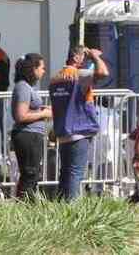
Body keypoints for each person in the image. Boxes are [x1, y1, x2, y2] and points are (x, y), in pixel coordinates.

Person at [50, 46, 109, 200]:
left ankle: (61, 205)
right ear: (75, 58)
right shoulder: (79, 75)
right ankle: (71, 207)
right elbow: (103, 73)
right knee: (76, 173)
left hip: (64, 130)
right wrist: (95, 57)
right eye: (83, 55)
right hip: (79, 130)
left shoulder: (56, 78)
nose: (85, 59)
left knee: (66, 172)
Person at [10, 53, 51, 200]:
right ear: (33, 69)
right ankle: (23, 207)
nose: (44, 71)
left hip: (32, 134)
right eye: (42, 68)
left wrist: (41, 110)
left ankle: (26, 205)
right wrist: (43, 113)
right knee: (30, 174)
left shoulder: (26, 87)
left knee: (32, 174)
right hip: (28, 135)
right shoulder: (23, 87)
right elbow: (20, 116)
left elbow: (27, 111)